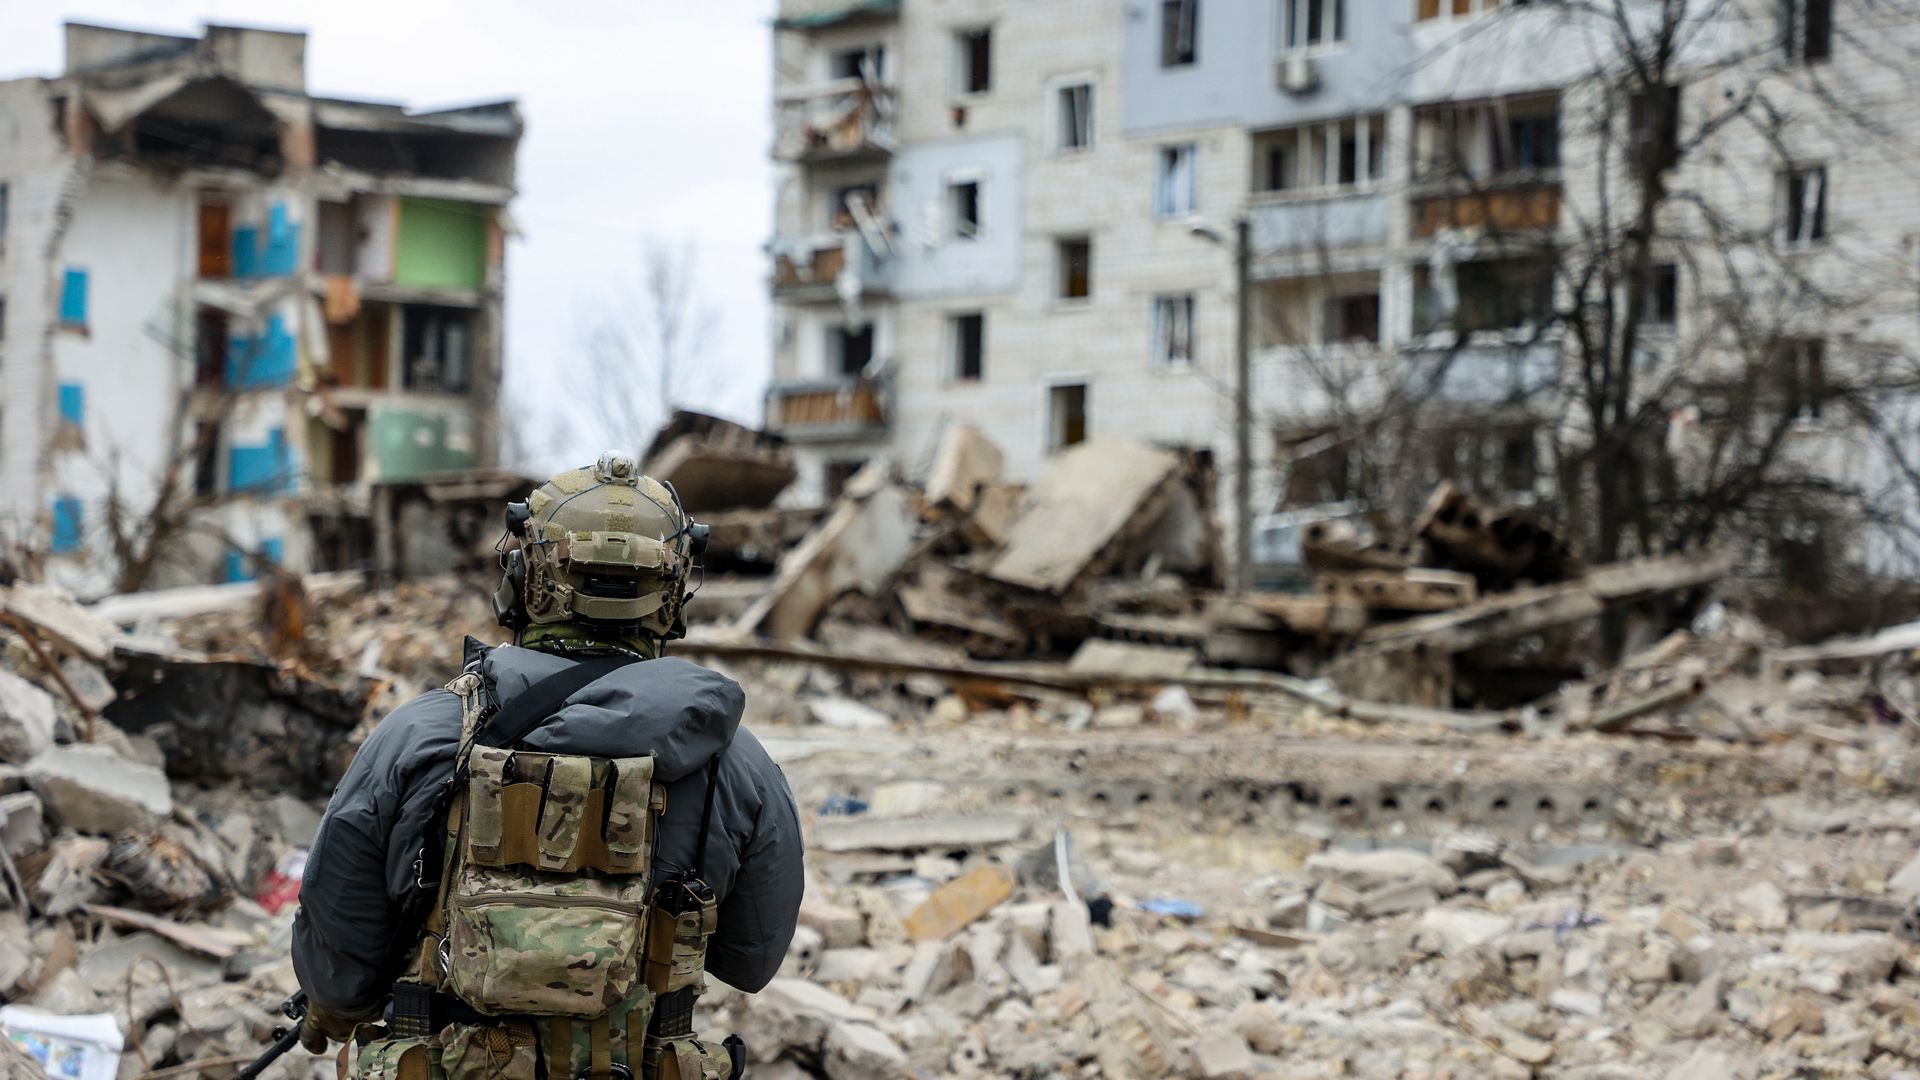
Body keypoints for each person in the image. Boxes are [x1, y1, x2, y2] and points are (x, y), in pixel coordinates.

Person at [291, 451, 803, 1079]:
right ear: (672, 592)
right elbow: (751, 960)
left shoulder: (419, 736)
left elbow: (338, 971)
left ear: (523, 575)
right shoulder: (735, 763)